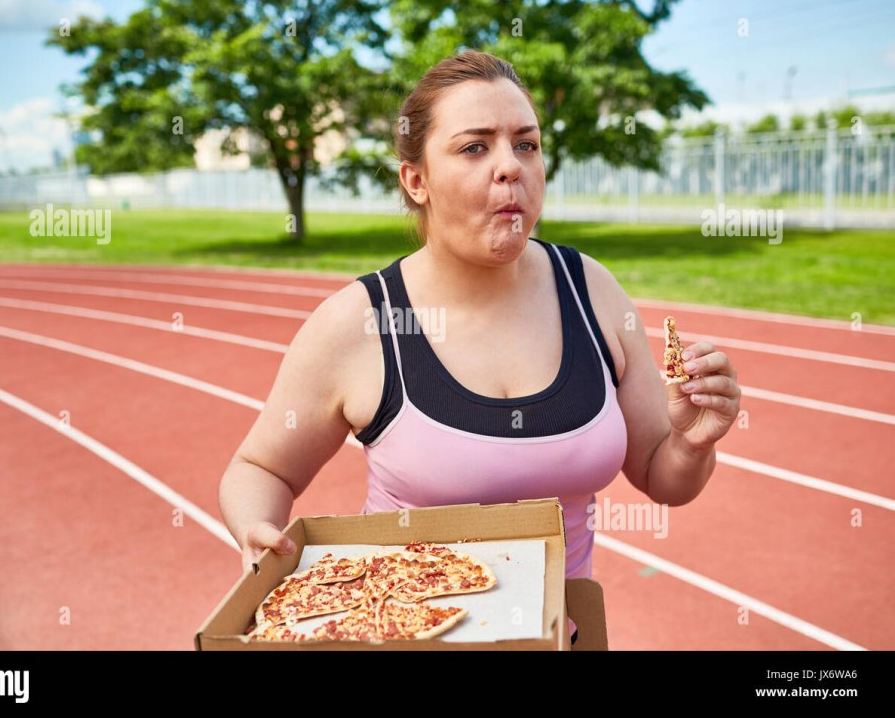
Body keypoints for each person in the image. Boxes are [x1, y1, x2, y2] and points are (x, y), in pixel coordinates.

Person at [219, 50, 741, 645]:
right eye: (474, 148)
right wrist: (257, 529)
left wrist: (694, 442)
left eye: (527, 144)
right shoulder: (359, 323)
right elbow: (259, 468)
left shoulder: (592, 290)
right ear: (415, 180)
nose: (510, 167)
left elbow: (662, 475)